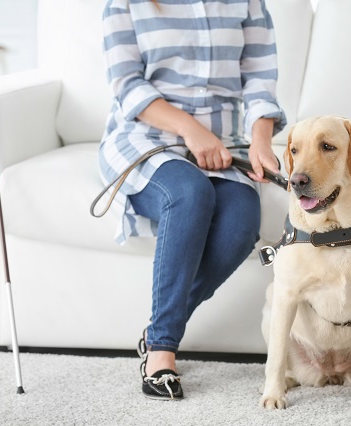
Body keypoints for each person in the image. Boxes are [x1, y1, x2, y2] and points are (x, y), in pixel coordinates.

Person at [100, 0, 286, 400]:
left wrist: (260, 142)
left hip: (223, 146)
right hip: (145, 139)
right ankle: (162, 351)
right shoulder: (124, 4)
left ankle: (153, 331)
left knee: (241, 225)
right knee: (189, 192)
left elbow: (259, 78)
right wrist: (189, 130)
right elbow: (127, 85)